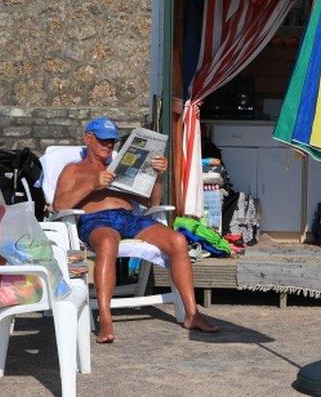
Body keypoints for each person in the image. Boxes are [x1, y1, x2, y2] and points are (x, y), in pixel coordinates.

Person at [54, 117, 218, 343]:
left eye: (112, 142)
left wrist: (157, 174)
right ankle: (106, 318)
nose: (108, 146)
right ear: (88, 138)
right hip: (96, 220)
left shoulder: (121, 167)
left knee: (178, 241)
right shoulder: (73, 170)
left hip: (130, 217)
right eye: (102, 141)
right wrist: (93, 183)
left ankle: (192, 314)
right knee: (108, 243)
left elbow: (152, 201)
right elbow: (59, 205)